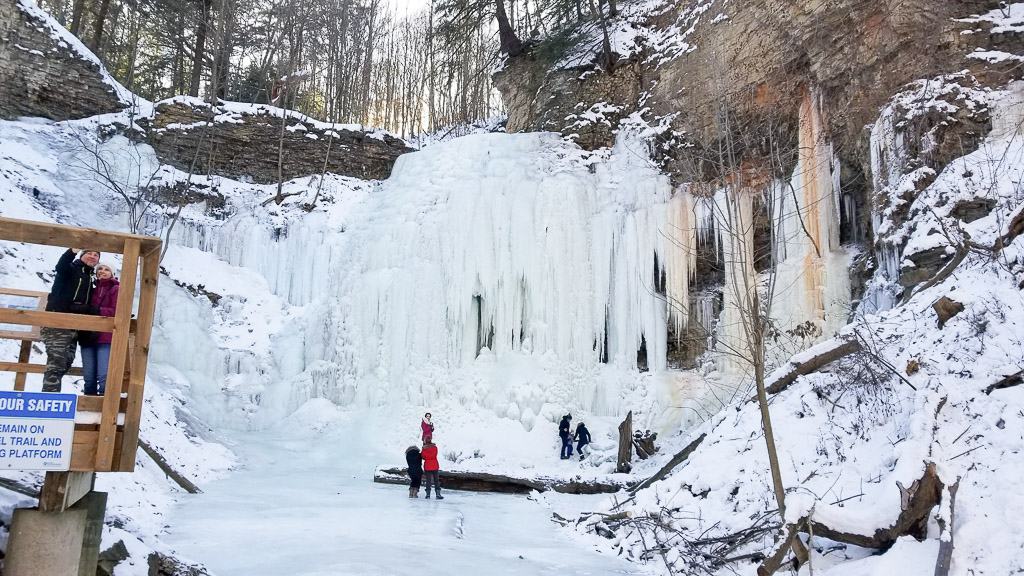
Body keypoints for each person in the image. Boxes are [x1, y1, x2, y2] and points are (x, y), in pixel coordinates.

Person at [41, 248, 99, 392]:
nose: (92, 256)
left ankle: (50, 398)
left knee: (66, 361)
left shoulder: (91, 278)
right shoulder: (71, 269)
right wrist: (71, 251)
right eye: (89, 253)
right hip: (58, 322)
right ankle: (48, 400)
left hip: (75, 326)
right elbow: (60, 266)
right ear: (81, 255)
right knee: (56, 362)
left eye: (96, 255)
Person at [79, 263, 119, 396]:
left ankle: (104, 407)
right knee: (88, 376)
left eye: (107, 269)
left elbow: (117, 311)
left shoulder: (116, 289)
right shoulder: (91, 289)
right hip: (88, 336)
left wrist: (98, 310)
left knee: (103, 375)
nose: (102, 271)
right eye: (99, 269)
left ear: (112, 274)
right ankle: (89, 406)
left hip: (105, 337)